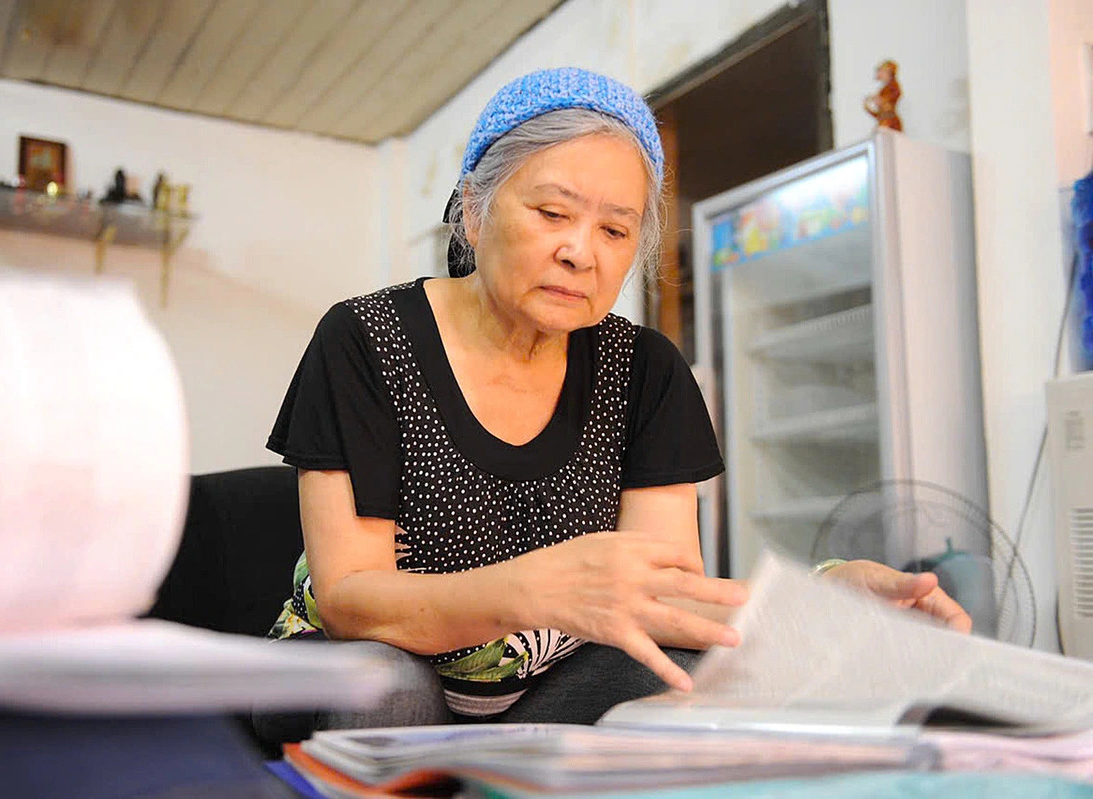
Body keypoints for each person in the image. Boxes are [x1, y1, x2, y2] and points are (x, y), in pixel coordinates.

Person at [258, 67, 970, 737]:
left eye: (615, 230)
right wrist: (529, 588)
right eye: (551, 212)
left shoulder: (644, 372)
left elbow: (665, 599)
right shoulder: (367, 339)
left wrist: (825, 606)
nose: (580, 252)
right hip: (362, 660)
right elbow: (351, 598)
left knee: (679, 668)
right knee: (386, 685)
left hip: (539, 689)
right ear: (474, 211)